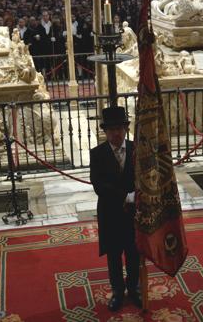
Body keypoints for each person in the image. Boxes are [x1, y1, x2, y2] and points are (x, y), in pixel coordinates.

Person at [90, 106, 141, 312]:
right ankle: (118, 291)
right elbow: (98, 185)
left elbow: (144, 177)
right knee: (113, 254)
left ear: (126, 129)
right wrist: (125, 196)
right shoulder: (97, 154)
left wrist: (139, 195)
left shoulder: (137, 149)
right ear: (105, 132)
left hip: (133, 214)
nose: (116, 133)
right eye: (111, 130)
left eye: (119, 128)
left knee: (133, 252)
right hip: (110, 213)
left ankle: (133, 288)